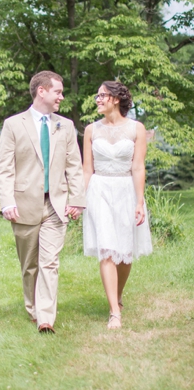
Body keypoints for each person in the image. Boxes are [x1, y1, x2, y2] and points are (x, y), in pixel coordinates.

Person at [0, 71, 86, 334]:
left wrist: (77, 200)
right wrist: (7, 201)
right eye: (58, 91)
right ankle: (32, 308)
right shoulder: (13, 125)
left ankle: (46, 318)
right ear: (41, 91)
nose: (62, 96)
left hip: (55, 205)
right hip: (23, 205)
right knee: (30, 265)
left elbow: (74, 166)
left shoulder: (66, 126)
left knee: (50, 263)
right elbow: (5, 169)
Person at [82, 81, 152, 330]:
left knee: (125, 252)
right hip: (99, 192)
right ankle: (114, 312)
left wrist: (139, 201)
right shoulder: (91, 130)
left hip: (126, 191)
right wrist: (81, 200)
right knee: (107, 250)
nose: (97, 99)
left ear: (115, 99)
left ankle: (118, 295)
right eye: (97, 95)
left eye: (101, 95)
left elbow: (138, 166)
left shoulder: (136, 128)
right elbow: (87, 169)